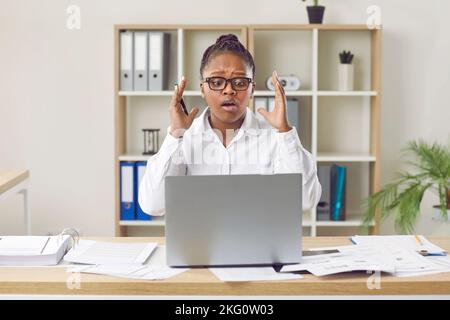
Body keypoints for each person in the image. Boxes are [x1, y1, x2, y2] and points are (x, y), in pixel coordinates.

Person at [139, 34, 321, 216]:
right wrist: (176, 135)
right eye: (217, 82)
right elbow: (153, 205)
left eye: (240, 82)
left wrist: (284, 132)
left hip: (259, 243)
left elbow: (305, 200)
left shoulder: (276, 137)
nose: (229, 90)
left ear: (252, 90)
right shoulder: (183, 138)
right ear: (202, 88)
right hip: (199, 244)